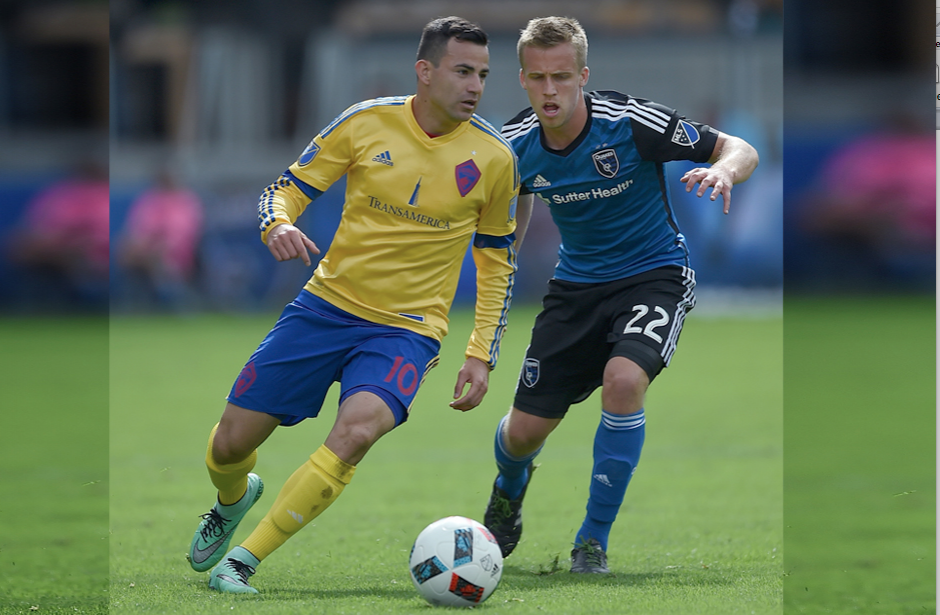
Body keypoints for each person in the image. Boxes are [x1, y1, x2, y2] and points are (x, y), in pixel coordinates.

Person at [185, 16, 519, 594]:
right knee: (230, 444)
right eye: (462, 71)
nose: (475, 86)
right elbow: (285, 187)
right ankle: (233, 498)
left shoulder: (495, 159)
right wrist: (276, 223)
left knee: (357, 431)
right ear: (425, 71)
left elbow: (496, 263)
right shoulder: (366, 122)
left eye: (484, 75)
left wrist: (480, 351)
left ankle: (242, 561)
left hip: (407, 330)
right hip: (324, 309)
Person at [482, 16, 759, 574]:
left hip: (653, 275)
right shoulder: (510, 146)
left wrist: (725, 172)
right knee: (521, 434)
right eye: (537, 78)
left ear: (583, 75)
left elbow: (738, 146)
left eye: (562, 77)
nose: (550, 90)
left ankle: (592, 541)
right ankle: (508, 492)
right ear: (522, 79)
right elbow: (514, 195)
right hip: (575, 289)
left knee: (624, 380)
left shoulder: (631, 123)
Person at [116, 167, 204, 310]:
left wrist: (158, 244)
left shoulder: (186, 202)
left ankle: (171, 298)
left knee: (157, 254)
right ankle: (136, 302)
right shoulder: (149, 201)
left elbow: (182, 234)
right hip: (147, 250)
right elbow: (138, 230)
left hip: (177, 252)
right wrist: (139, 245)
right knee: (127, 249)